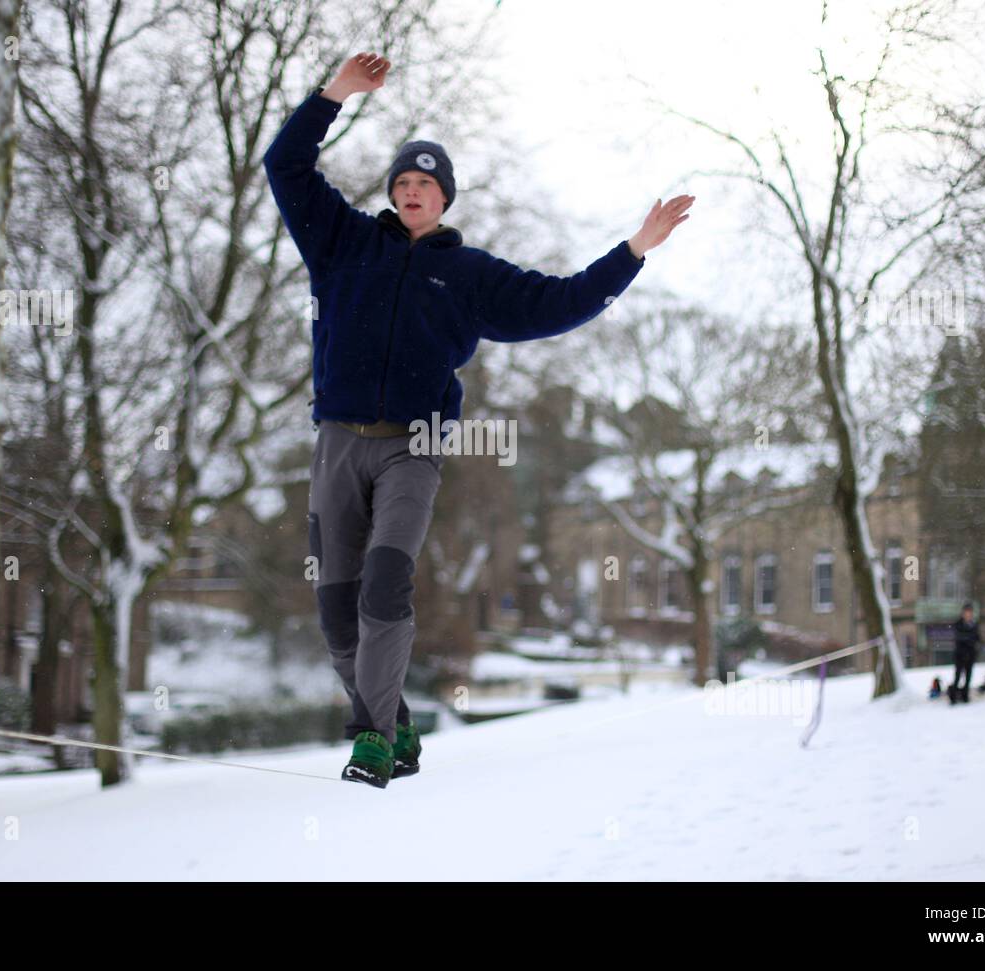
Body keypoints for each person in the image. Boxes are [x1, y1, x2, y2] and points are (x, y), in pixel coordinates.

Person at [263, 52, 695, 786]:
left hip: (414, 446)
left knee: (384, 582)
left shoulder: (467, 276)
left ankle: (369, 740)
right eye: (401, 182)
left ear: (445, 198)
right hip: (337, 442)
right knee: (337, 611)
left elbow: (559, 301)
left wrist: (633, 252)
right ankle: (395, 720)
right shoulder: (341, 242)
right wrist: (334, 94)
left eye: (425, 184)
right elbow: (286, 164)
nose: (411, 192)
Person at [949, 602, 980, 705]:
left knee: (968, 677)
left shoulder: (974, 624)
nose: (968, 614)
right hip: (960, 655)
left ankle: (965, 695)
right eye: (966, 612)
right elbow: (960, 637)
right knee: (957, 676)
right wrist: (969, 639)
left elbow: (977, 638)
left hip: (970, 655)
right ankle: (953, 696)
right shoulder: (958, 624)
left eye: (969, 612)